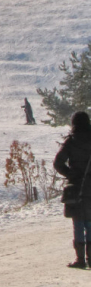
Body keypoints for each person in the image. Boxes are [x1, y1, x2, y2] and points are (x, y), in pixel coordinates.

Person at [54, 111, 91, 268]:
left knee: (78, 222)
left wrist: (70, 174)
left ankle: (80, 259)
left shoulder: (71, 141)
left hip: (76, 186)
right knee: (90, 222)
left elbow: (58, 163)